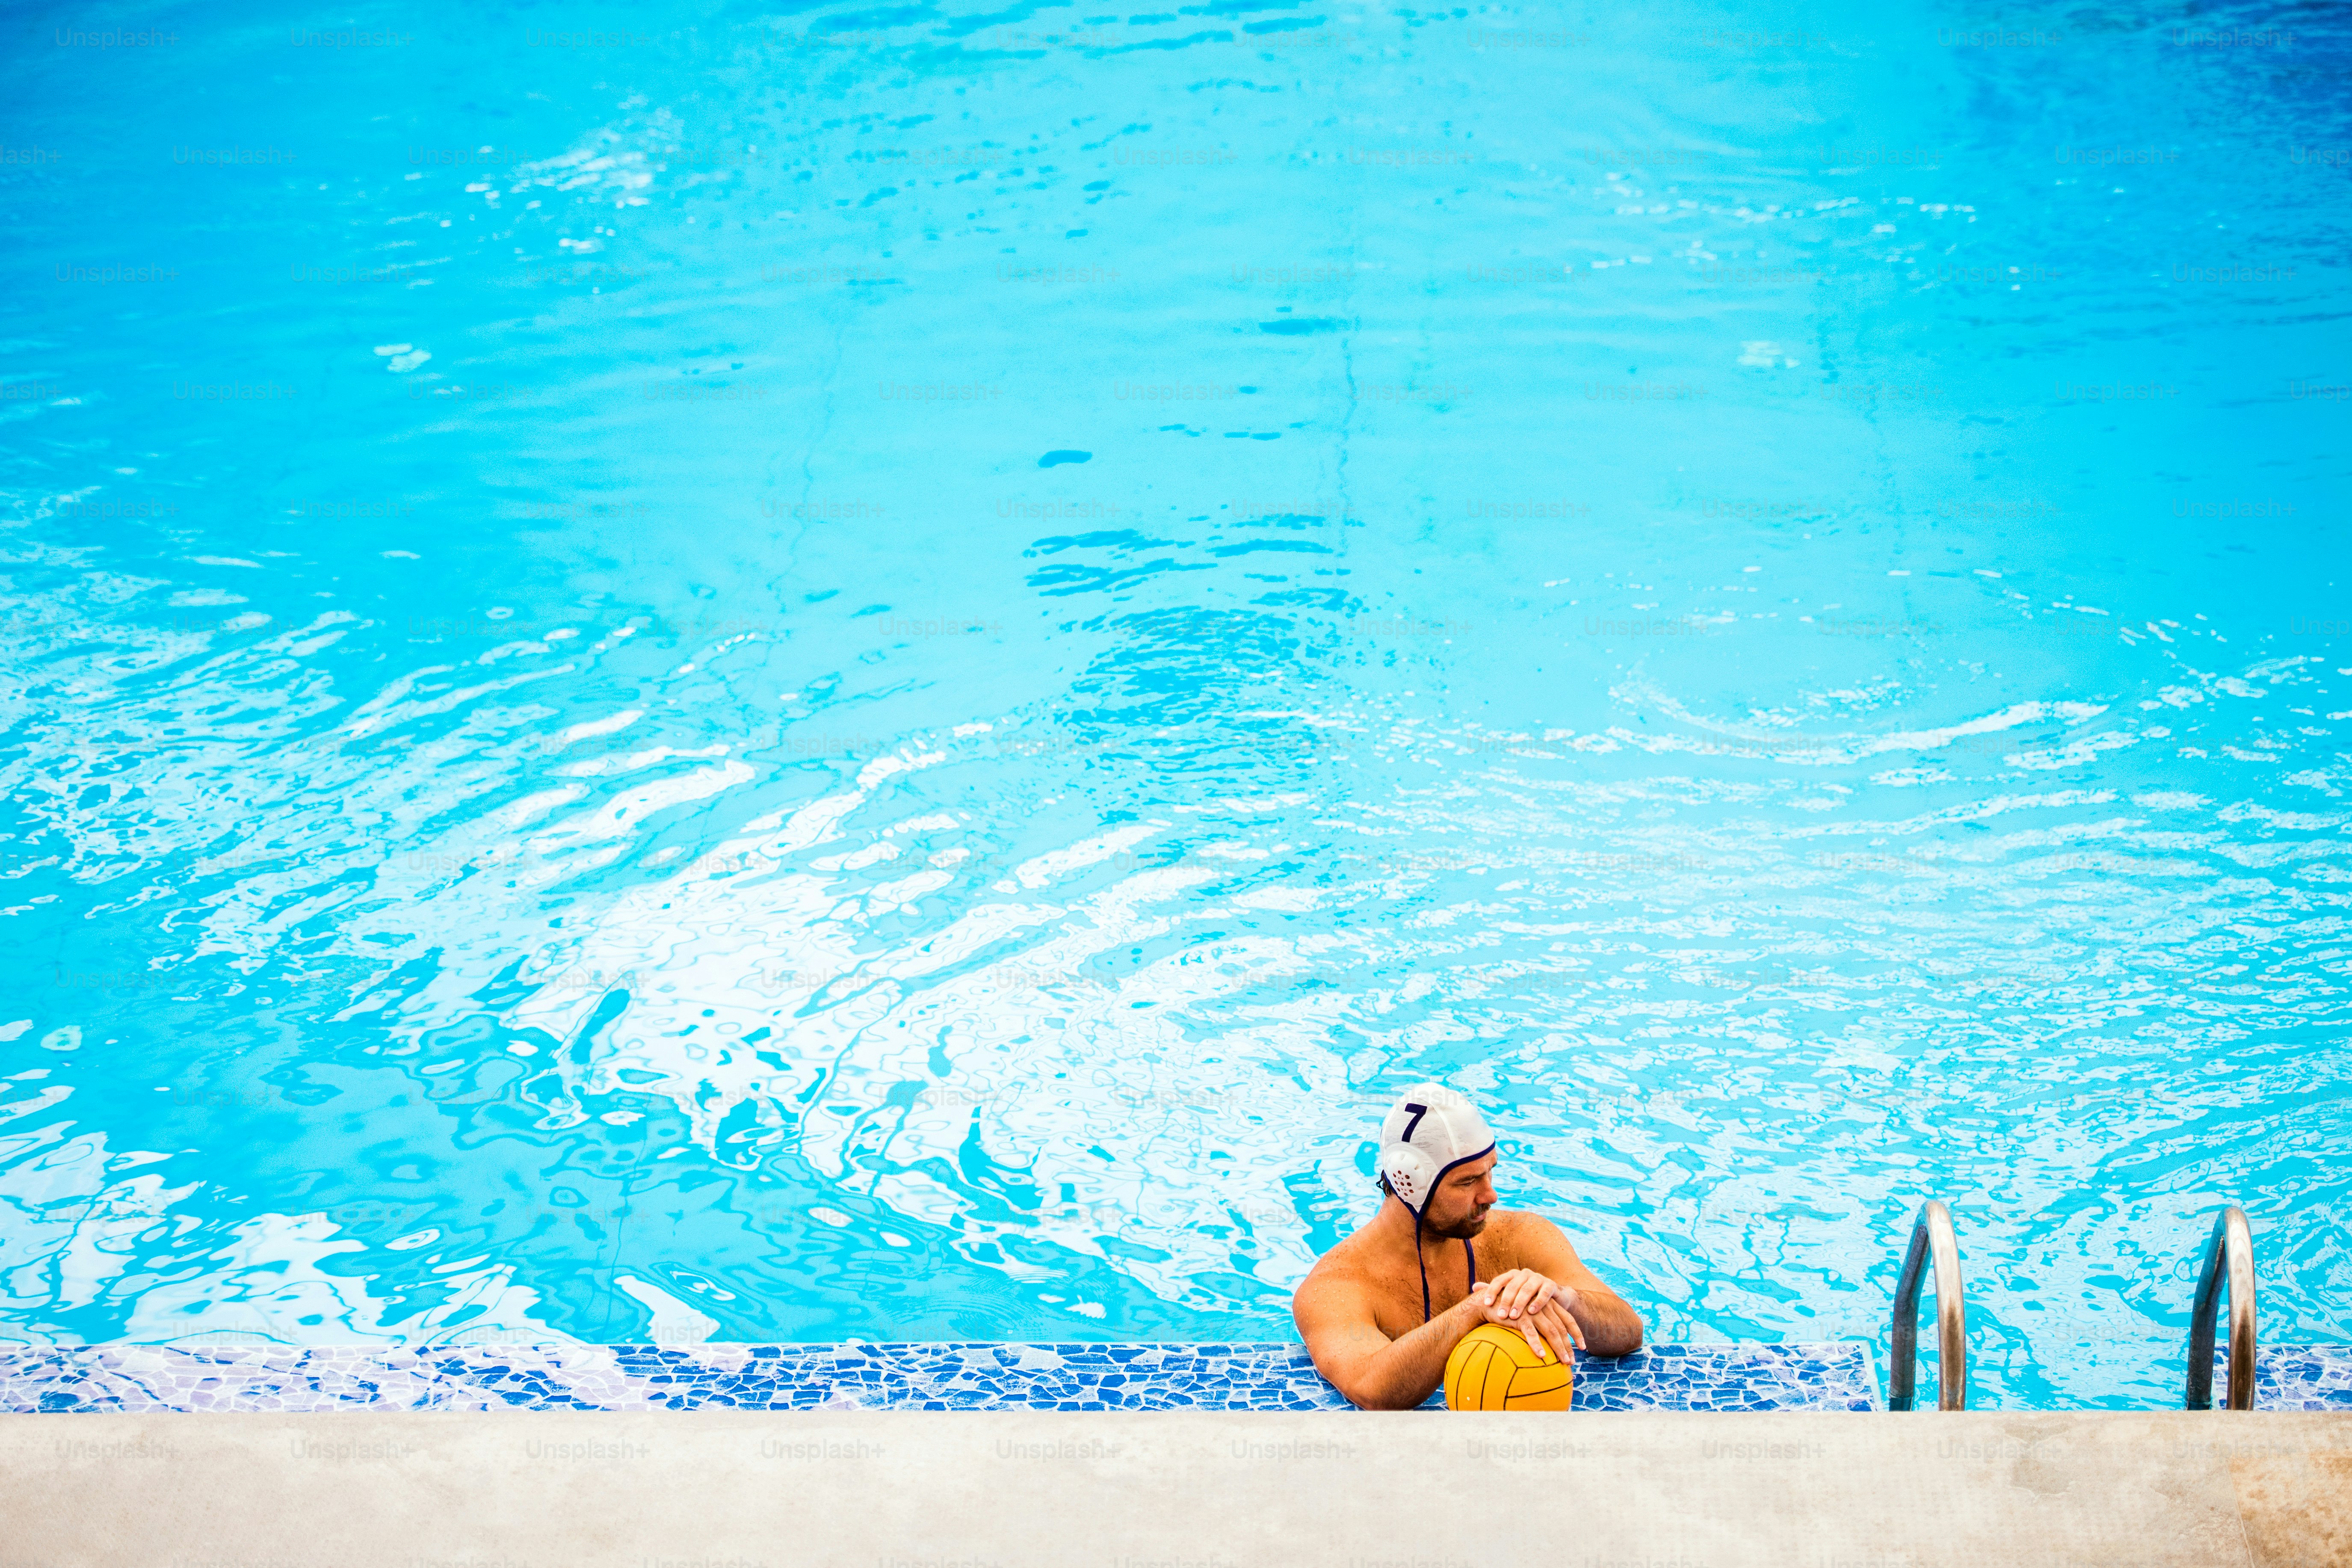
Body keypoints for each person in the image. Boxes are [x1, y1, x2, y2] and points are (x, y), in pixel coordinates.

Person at [1291, 1082, 1645, 1409]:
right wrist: (1473, 1311)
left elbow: (1628, 1332)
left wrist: (1563, 1299)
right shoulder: (1336, 1285)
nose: (1490, 1195)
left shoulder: (1520, 1236)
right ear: (1410, 1185)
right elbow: (1370, 1388)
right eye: (1468, 1182)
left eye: (1490, 1172)